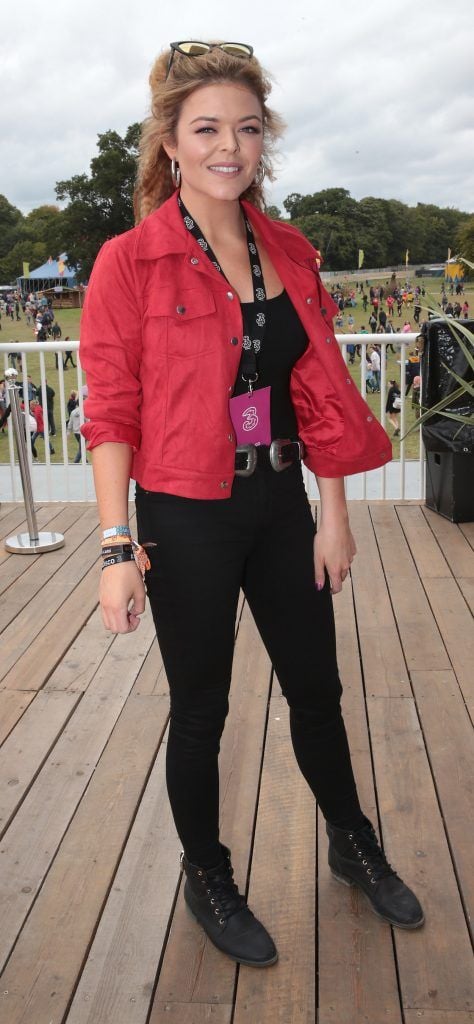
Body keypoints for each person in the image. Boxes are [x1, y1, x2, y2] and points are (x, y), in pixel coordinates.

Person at [80, 40, 424, 970]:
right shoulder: (131, 262)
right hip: (186, 513)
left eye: (246, 127)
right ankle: (208, 872)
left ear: (262, 138)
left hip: (280, 501)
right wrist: (118, 547)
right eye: (207, 129)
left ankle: (351, 843)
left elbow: (318, 389)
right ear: (170, 144)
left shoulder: (287, 250)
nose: (229, 145)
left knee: (318, 691)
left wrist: (335, 512)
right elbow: (110, 407)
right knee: (202, 710)